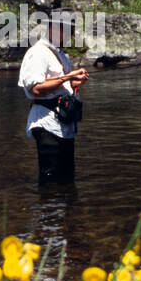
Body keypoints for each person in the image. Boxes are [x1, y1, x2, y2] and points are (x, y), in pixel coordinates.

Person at [18, 13, 90, 184]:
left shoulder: (60, 54)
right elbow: (36, 89)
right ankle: (50, 209)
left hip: (63, 123)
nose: (71, 36)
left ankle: (65, 209)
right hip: (46, 122)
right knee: (50, 178)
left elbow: (57, 86)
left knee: (67, 177)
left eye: (72, 31)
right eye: (68, 31)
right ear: (54, 28)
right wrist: (66, 78)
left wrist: (73, 83)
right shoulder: (37, 53)